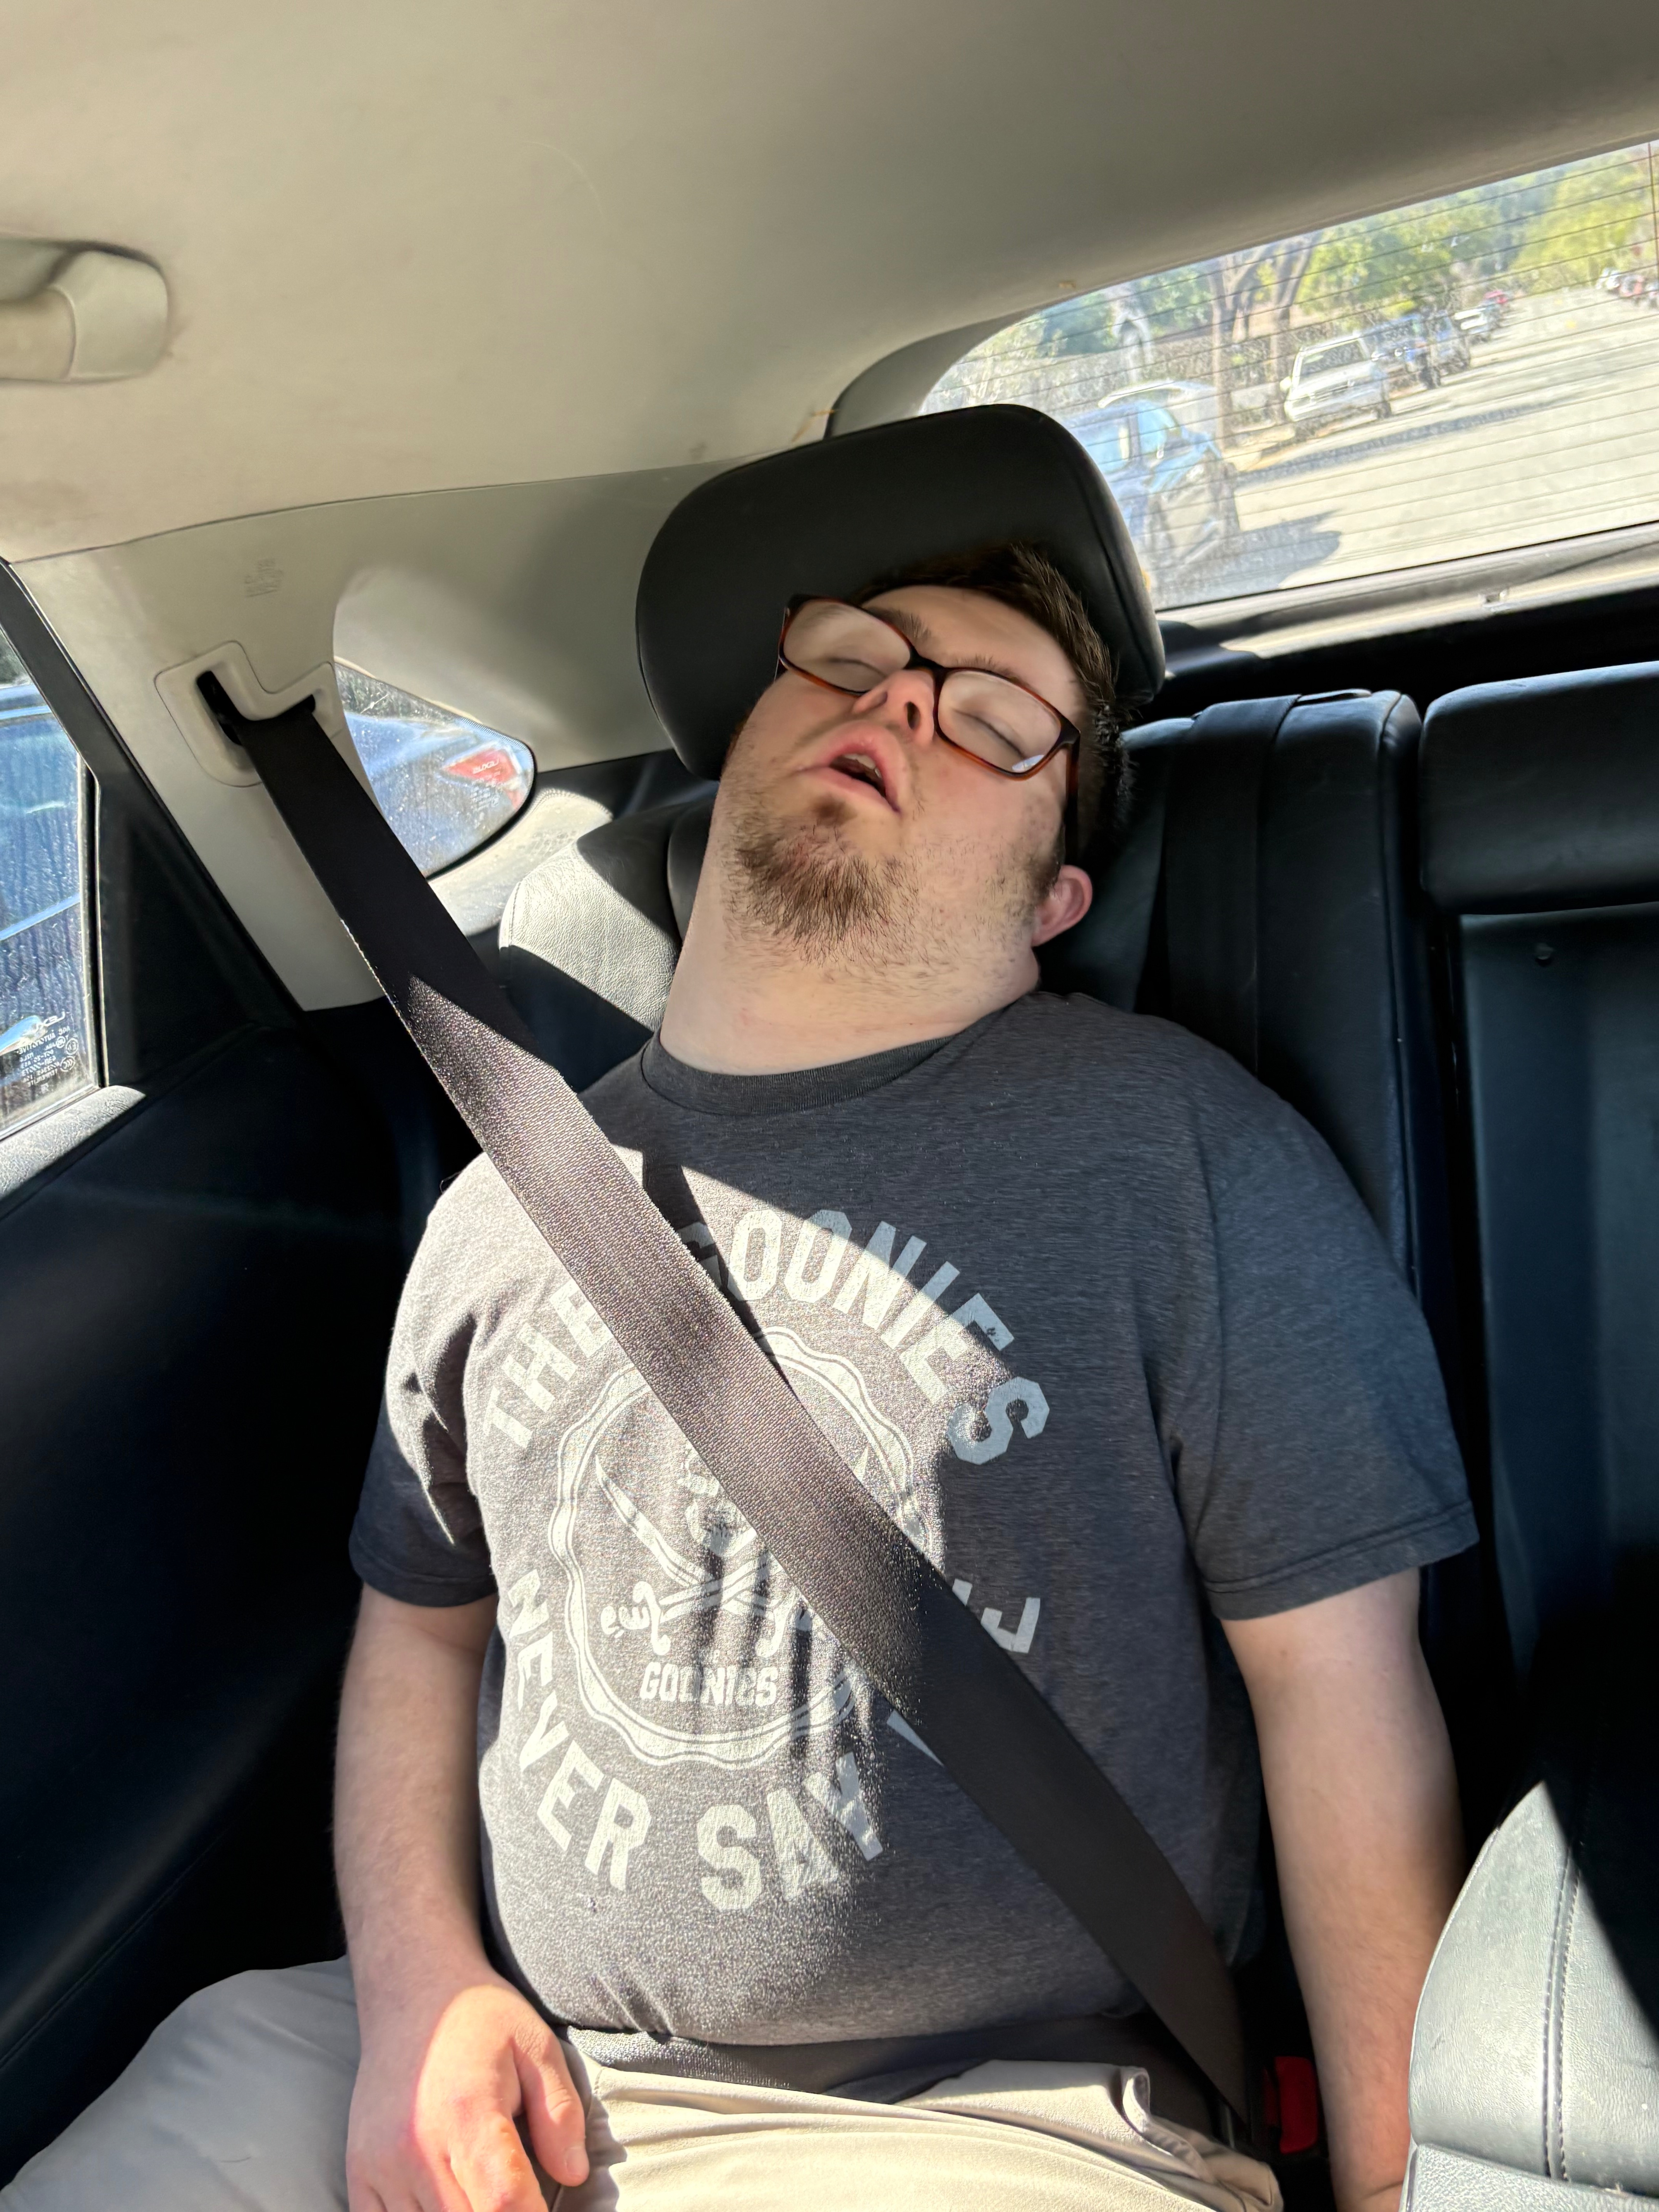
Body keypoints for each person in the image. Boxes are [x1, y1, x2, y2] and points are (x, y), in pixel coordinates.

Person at [4, 544, 1474, 2212]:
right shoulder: (498, 1207)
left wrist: (1393, 2192)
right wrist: (418, 1989)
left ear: (1056, 893)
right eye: (854, 656)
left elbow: (1338, 1691)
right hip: (481, 2053)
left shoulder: (1179, 1154)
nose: (900, 701)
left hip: (993, 2115)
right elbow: (419, 1630)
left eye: (995, 720)